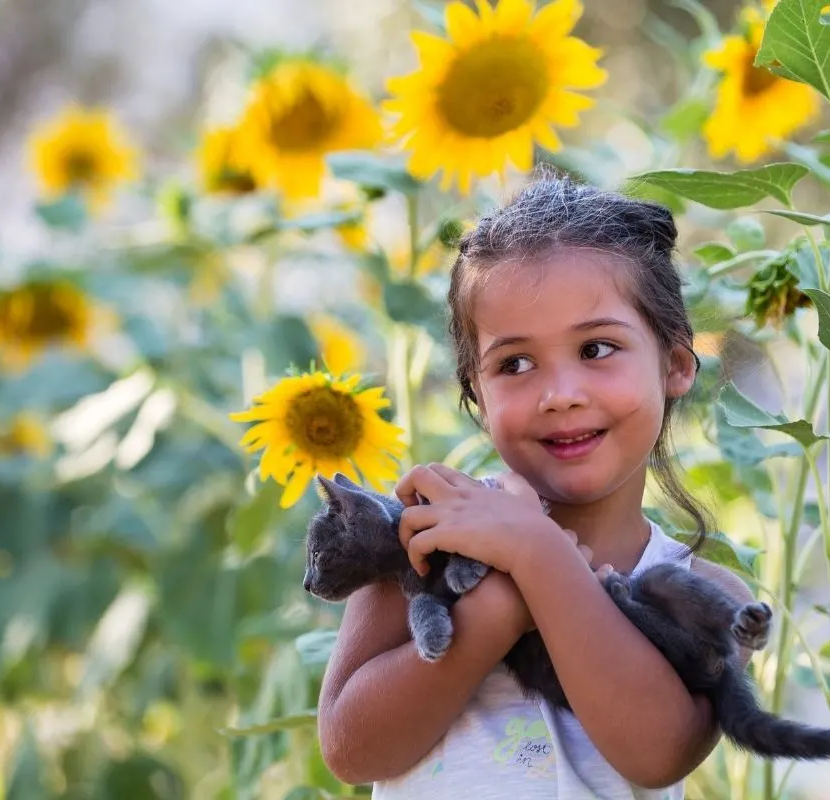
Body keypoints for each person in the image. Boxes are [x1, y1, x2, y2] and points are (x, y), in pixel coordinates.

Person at [316, 174, 757, 798]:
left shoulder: (706, 595)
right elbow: (352, 749)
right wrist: (494, 613)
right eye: (515, 364)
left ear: (676, 364)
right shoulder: (422, 535)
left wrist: (539, 556)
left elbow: (657, 752)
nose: (560, 395)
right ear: (477, 391)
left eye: (597, 348)